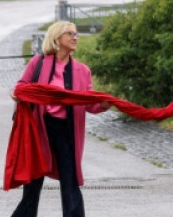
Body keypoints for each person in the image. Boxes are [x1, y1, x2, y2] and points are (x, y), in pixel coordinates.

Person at [10, 21, 111, 217]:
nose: (75, 37)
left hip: (67, 130)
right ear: (57, 38)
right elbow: (22, 86)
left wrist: (103, 105)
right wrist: (17, 94)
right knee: (33, 180)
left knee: (70, 179)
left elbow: (88, 102)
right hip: (41, 127)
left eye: (76, 34)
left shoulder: (83, 70)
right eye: (70, 34)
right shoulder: (37, 63)